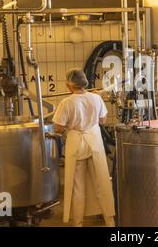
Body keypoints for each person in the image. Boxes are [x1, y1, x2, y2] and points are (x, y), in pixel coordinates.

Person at [52, 68, 115, 227]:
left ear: (69, 85)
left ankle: (78, 223)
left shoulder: (66, 102)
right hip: (94, 141)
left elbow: (58, 128)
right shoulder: (96, 98)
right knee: (102, 182)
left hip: (76, 143)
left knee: (78, 187)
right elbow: (103, 121)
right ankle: (110, 222)